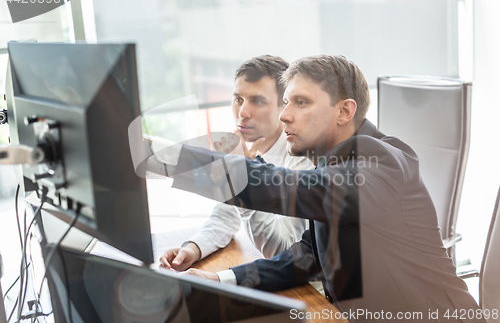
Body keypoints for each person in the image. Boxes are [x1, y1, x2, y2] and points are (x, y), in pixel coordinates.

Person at [149, 55, 483, 322]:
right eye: (285, 103)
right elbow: (307, 258)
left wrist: (165, 158)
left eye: (301, 103)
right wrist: (221, 280)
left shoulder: (379, 159)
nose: (284, 116)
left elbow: (290, 188)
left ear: (344, 111)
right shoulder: (332, 164)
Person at [159, 55, 313, 272]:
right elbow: (225, 216)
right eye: (238, 99)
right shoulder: (247, 150)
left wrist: (242, 178)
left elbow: (284, 252)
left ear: (283, 107)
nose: (242, 113)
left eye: (257, 101)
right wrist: (192, 248)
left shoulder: (303, 161)